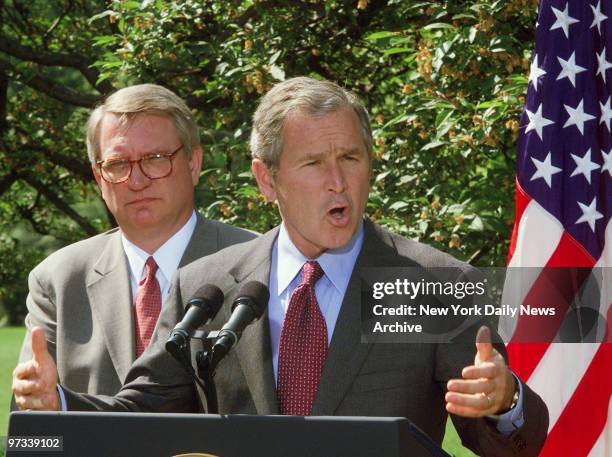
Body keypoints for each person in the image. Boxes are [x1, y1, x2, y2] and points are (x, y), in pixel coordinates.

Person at [13, 78, 547, 456]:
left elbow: (514, 445)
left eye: (351, 158)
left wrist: (506, 403)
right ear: (267, 180)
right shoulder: (208, 286)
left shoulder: (437, 283)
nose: (337, 181)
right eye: (313, 163)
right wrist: (58, 403)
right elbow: (144, 411)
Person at [13, 84, 256, 406]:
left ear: (193, 164)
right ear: (99, 179)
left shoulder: (257, 263)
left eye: (155, 159)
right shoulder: (59, 280)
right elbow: (34, 439)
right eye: (117, 164)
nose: (137, 180)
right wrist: (41, 406)